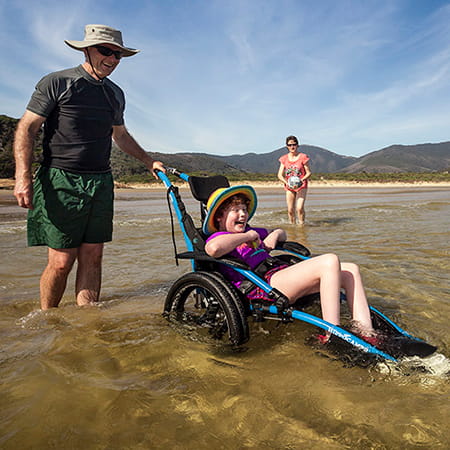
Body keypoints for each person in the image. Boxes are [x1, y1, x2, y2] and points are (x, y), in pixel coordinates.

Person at [13, 24, 165, 310]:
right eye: (105, 51)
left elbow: (119, 135)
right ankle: (48, 321)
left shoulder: (115, 94)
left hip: (101, 181)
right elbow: (27, 127)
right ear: (87, 49)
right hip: (60, 179)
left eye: (117, 55)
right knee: (61, 261)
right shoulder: (57, 82)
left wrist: (148, 161)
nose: (112, 59)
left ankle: (87, 322)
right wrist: (22, 176)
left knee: (93, 256)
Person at [203, 185, 377, 343]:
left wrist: (272, 237)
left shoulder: (251, 230)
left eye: (244, 210)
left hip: (277, 274)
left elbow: (281, 232)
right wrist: (248, 237)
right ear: (219, 217)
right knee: (329, 260)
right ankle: (331, 335)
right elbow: (212, 249)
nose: (243, 214)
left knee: (350, 270)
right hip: (261, 285)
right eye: (236, 210)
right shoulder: (219, 237)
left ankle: (366, 333)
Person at [277, 135, 311, 225]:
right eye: (290, 145)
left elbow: (308, 173)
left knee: (299, 208)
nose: (292, 147)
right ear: (287, 146)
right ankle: (292, 226)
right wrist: (286, 182)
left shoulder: (303, 157)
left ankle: (301, 225)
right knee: (290, 210)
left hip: (301, 185)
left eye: (294, 144)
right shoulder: (284, 158)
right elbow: (280, 175)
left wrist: (301, 180)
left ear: (297, 145)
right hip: (289, 186)